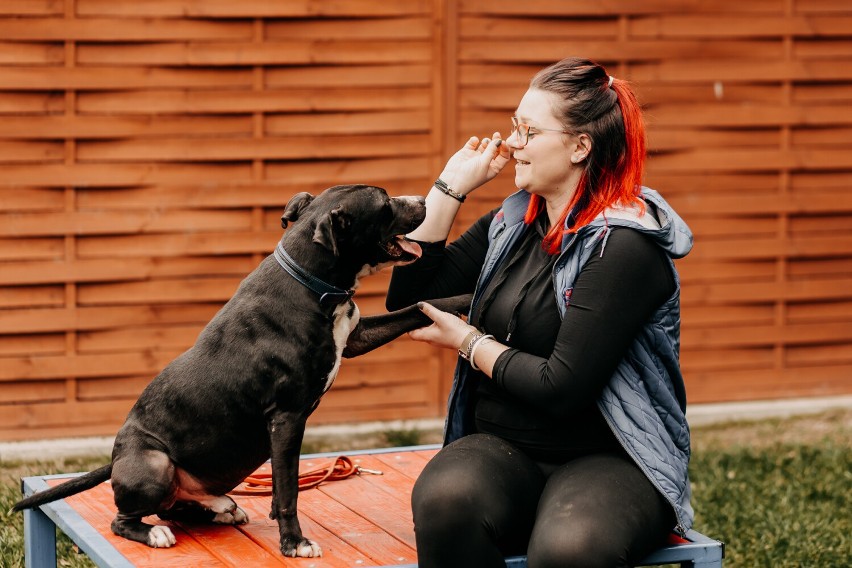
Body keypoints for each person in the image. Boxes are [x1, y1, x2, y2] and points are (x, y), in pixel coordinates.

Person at [385, 57, 694, 568]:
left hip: (610, 459)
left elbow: (561, 387)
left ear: (580, 146)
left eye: (528, 131)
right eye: (514, 128)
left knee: (570, 550)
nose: (511, 144)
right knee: (445, 502)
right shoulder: (513, 221)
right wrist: (448, 190)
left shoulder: (623, 248)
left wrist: (468, 342)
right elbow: (409, 298)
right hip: (503, 448)